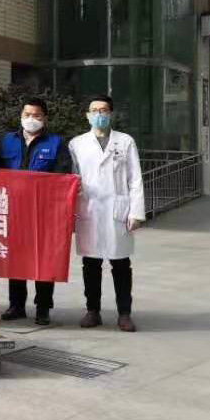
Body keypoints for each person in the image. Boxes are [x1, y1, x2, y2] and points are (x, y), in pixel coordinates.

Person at [68, 95, 145, 332]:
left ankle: (124, 314)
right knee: (91, 264)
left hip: (117, 210)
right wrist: (69, 213)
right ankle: (93, 311)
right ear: (87, 115)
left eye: (103, 110)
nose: (99, 115)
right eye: (94, 110)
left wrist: (136, 212)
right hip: (89, 209)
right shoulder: (77, 144)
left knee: (121, 264)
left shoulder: (125, 141)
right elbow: (70, 180)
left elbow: (135, 178)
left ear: (111, 114)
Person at [0, 97, 73, 325]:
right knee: (16, 258)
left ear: (45, 118)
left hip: (44, 211)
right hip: (13, 210)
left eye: (37, 115)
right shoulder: (7, 141)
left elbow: (62, 175)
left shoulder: (56, 143)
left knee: (44, 258)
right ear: (21, 116)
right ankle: (16, 305)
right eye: (27, 115)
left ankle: (43, 307)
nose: (31, 119)